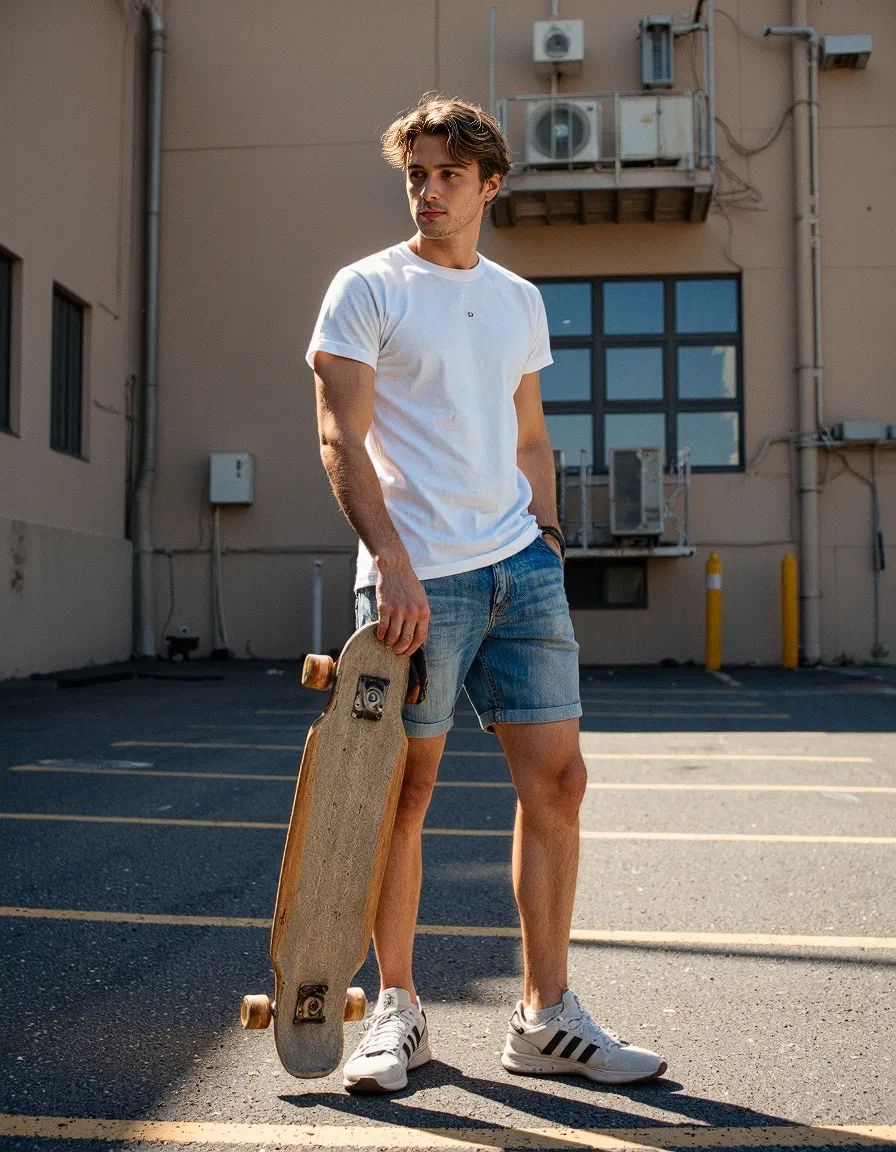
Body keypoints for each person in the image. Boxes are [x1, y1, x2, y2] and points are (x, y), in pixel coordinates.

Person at [306, 94, 666, 1094]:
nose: (426, 192)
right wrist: (392, 564)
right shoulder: (366, 288)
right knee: (403, 794)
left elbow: (529, 435)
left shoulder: (514, 299)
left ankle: (544, 1018)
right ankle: (399, 1011)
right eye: (414, 175)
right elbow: (339, 435)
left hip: (521, 571)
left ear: (488, 183)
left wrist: (546, 541)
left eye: (446, 175)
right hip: (417, 579)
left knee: (558, 785)